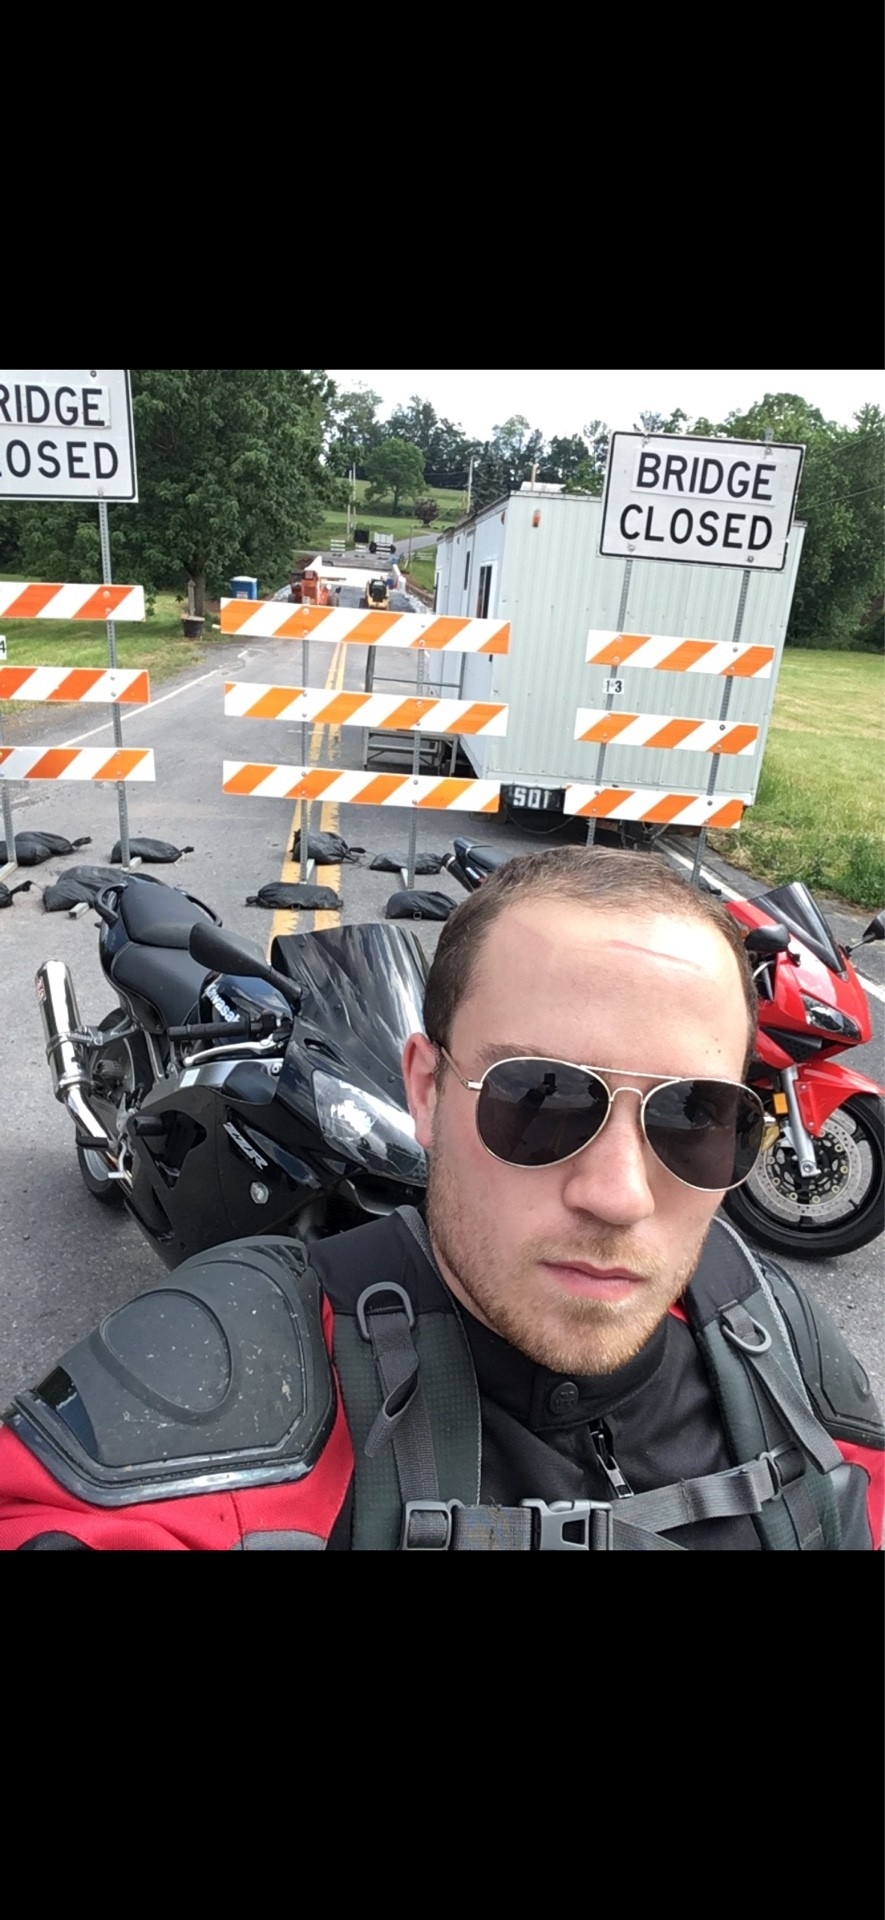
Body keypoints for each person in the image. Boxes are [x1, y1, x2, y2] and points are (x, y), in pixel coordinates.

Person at [0, 848, 881, 1551]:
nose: (617, 1195)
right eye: (540, 1098)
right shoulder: (232, 1374)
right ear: (424, 1089)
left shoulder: (777, 1342)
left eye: (696, 1117)